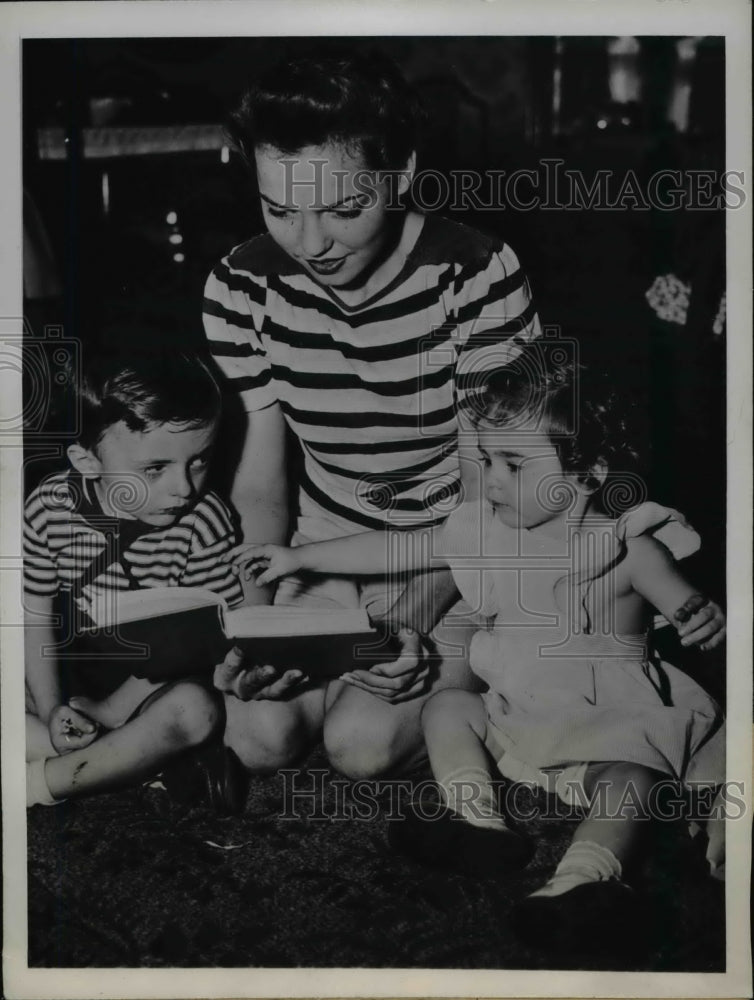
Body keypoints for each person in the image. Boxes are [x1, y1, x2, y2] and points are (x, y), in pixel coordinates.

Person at [227, 343, 726, 950]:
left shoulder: (630, 548)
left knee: (632, 779)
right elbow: (400, 547)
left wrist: (700, 617)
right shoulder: (487, 532)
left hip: (608, 722)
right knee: (448, 707)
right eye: (486, 460)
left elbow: (690, 609)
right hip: (515, 715)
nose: (489, 481)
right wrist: (299, 558)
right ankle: (478, 820)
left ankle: (583, 881)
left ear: (590, 472)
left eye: (514, 465)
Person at [203, 46, 542, 778]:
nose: (311, 243)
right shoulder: (239, 286)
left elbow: (491, 490)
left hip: (456, 548)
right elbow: (261, 483)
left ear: (402, 173)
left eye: (344, 209)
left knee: (360, 744)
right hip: (324, 543)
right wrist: (254, 626)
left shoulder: (476, 273)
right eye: (279, 209)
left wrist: (402, 620)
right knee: (256, 736)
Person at [24, 346, 250, 809]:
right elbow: (34, 615)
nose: (184, 488)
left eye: (199, 460)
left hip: (152, 684)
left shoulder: (205, 521)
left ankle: (41, 782)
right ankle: (134, 763)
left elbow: (210, 637)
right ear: (87, 461)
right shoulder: (49, 507)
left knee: (195, 710)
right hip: (71, 664)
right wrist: (52, 710)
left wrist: (109, 711)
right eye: (155, 469)